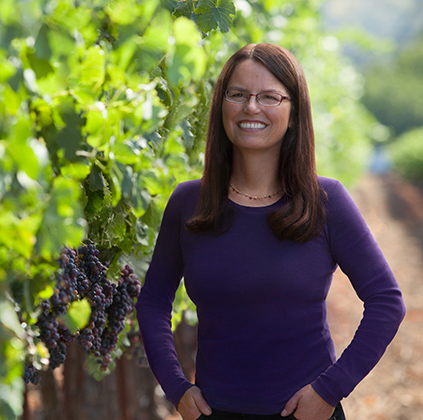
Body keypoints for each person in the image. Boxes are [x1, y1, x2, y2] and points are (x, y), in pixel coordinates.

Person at [135, 43, 406, 420]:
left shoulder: (326, 201)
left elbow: (387, 301)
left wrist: (330, 389)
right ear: (221, 106)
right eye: (238, 95)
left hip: (305, 414)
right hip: (214, 413)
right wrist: (176, 388)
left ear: (293, 113)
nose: (251, 108)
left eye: (269, 97)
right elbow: (152, 301)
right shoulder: (188, 203)